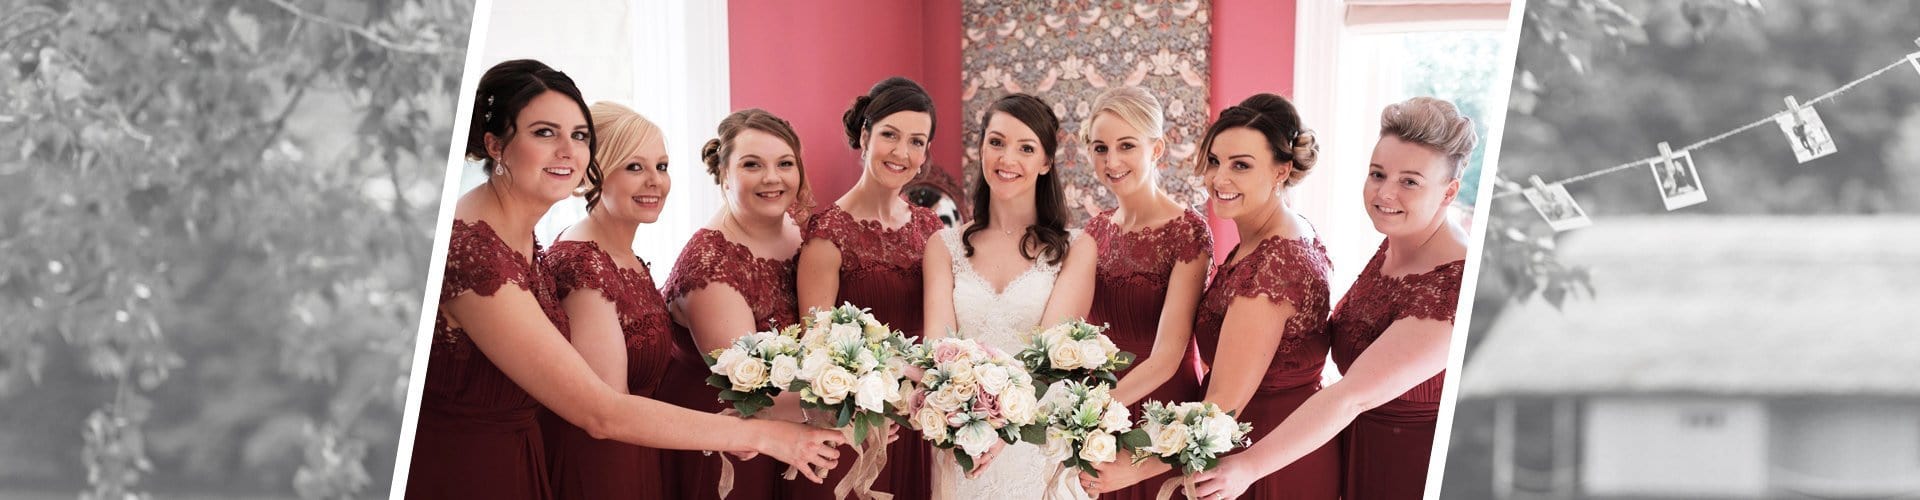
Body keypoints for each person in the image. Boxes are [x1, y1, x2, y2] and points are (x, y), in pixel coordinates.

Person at [408, 59, 844, 500]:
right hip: (465, 471)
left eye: (578, 136)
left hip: (525, 458)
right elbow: (601, 412)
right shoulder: (474, 251)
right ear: (495, 144)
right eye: (544, 133)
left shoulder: (522, 238)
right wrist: (761, 435)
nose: (567, 150)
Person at [1189, 96, 1473, 500]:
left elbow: (1350, 394)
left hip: (1414, 468)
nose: (1385, 193)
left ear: (1449, 192)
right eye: (1378, 174)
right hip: (1351, 452)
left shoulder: (1455, 284)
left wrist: (1248, 466)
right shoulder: (1398, 241)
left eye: (1409, 181)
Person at [1085, 93, 1339, 499]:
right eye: (1216, 161)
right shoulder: (1267, 236)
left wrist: (1135, 468)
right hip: (1241, 447)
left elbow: (1223, 403)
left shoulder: (1274, 265)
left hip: (1261, 455)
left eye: (1241, 165)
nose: (1219, 179)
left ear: (1281, 170)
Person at [922, 93, 1097, 499]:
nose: (1007, 158)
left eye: (1026, 148)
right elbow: (936, 347)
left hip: (1040, 438)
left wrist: (1006, 428)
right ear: (981, 147)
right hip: (965, 438)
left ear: (1046, 162)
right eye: (996, 142)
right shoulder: (943, 245)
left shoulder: (1077, 248)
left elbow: (1051, 358)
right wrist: (962, 420)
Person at [653, 108, 824, 499]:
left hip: (789, 431)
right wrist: (856, 403)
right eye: (752, 165)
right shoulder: (710, 261)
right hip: (728, 443)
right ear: (723, 174)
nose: (772, 178)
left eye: (785, 164)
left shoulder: (800, 232)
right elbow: (747, 390)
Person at [792, 76, 943, 499]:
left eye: (916, 141)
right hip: (858, 425)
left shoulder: (930, 227)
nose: (902, 152)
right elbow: (815, 346)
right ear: (865, 135)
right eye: (890, 135)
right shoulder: (828, 233)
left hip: (915, 422)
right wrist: (861, 409)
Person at [1075, 86, 1212, 498]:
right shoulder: (1095, 230)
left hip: (1160, 407)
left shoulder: (1188, 232)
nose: (1111, 161)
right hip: (1101, 404)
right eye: (1101, 148)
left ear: (1156, 149)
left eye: (1126, 146)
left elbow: (1169, 356)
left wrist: (1094, 409)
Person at [534, 101, 674, 499]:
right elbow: (609, 406)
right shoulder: (583, 263)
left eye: (661, 166)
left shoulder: (625, 257)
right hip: (602, 466)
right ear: (595, 173)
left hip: (639, 453)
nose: (655, 181)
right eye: (634, 167)